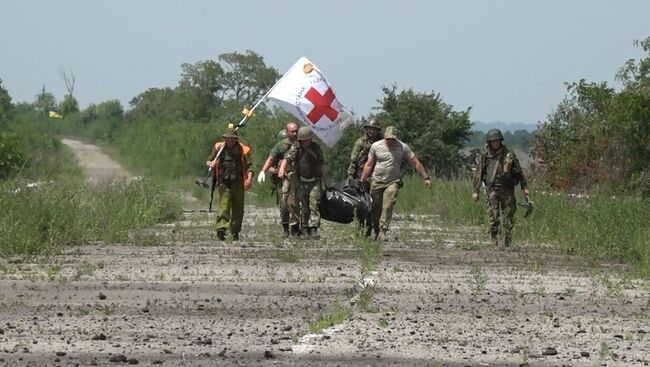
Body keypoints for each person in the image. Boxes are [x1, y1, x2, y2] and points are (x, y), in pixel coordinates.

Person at [359, 126, 431, 241]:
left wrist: (425, 177)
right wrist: (362, 180)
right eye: (388, 138)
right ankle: (376, 230)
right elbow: (369, 164)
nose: (390, 141)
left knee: (388, 205)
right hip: (377, 181)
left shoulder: (403, 147)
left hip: (393, 181)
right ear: (385, 137)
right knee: (375, 208)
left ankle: (383, 231)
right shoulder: (376, 146)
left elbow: (415, 162)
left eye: (392, 139)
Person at [472, 128, 529, 247]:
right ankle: (494, 239)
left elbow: (518, 171)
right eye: (493, 141)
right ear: (489, 142)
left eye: (497, 141)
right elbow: (479, 173)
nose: (495, 143)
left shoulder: (508, 154)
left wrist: (524, 187)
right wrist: (475, 190)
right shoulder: (485, 155)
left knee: (508, 216)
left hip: (507, 190)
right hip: (492, 189)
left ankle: (508, 241)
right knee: (494, 217)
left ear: (500, 141)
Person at [278, 126, 329, 239]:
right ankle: (304, 227)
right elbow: (287, 159)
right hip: (300, 180)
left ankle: (313, 228)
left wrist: (326, 181)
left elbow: (321, 165)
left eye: (308, 139)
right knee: (304, 206)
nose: (306, 142)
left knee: (314, 204)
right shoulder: (296, 147)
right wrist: (282, 169)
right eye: (303, 140)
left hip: (314, 180)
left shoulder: (316, 148)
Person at [205, 124, 254, 241]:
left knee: (238, 207)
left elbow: (250, 166)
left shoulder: (243, 149)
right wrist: (210, 163)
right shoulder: (219, 148)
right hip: (224, 181)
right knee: (224, 205)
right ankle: (221, 229)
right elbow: (208, 160)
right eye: (227, 138)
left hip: (238, 181)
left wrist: (249, 178)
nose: (229, 140)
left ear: (236, 139)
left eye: (232, 138)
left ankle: (235, 231)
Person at [257, 122, 299, 236]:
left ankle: (296, 227)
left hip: (299, 178)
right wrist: (263, 171)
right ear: (287, 132)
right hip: (284, 179)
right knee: (284, 204)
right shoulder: (280, 146)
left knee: (297, 204)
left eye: (296, 131)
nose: (294, 133)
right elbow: (271, 159)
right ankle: (285, 228)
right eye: (292, 131)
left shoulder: (301, 144)